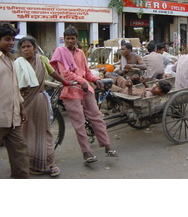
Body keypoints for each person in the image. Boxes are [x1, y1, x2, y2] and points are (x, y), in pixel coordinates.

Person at [50, 25, 117, 164]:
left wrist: (96, 79)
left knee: (97, 117)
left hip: (86, 89)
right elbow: (65, 74)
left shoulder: (80, 53)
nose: (69, 41)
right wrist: (82, 81)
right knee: (79, 123)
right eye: (67, 38)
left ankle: (107, 146)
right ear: (64, 39)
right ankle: (86, 152)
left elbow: (86, 71)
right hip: (71, 90)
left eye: (72, 38)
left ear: (76, 39)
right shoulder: (60, 52)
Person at [14, 36, 74, 176]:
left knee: (44, 131)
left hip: (39, 99)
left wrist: (65, 82)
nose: (26, 49)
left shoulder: (42, 60)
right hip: (24, 101)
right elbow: (14, 81)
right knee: (26, 133)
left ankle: (50, 163)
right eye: (23, 47)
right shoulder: (17, 63)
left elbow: (52, 72)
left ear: (35, 48)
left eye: (29, 46)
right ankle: (30, 163)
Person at [0, 22, 30, 179]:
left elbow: (14, 87)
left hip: (14, 119)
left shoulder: (11, 60)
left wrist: (22, 107)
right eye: (7, 39)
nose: (11, 43)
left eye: (12, 39)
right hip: (1, 117)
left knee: (21, 155)